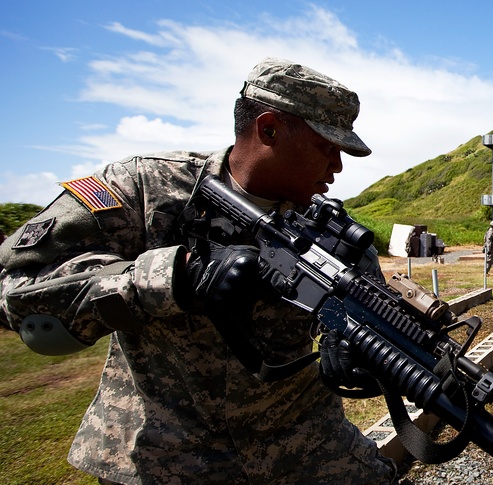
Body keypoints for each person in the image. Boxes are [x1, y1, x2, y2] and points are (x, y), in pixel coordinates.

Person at [0, 58, 397, 483]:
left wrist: (357, 346)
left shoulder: (332, 232)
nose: (337, 167)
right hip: (164, 461)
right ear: (269, 130)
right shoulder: (143, 188)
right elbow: (18, 290)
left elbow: (377, 314)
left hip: (306, 449)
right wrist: (176, 278)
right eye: (327, 147)